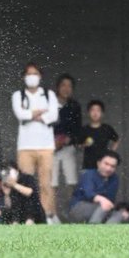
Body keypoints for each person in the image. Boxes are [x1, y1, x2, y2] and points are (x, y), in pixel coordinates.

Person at [11, 64, 58, 219]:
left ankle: (46, 216)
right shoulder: (18, 95)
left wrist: (32, 115)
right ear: (24, 77)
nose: (32, 77)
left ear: (40, 76)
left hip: (46, 146)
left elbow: (53, 115)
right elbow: (20, 114)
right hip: (25, 147)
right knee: (25, 183)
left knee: (45, 184)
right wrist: (37, 113)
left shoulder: (48, 94)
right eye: (29, 74)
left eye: (35, 73)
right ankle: (28, 216)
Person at [69, 151, 129, 224]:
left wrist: (121, 211)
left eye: (112, 166)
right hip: (79, 208)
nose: (108, 168)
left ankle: (108, 233)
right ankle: (94, 229)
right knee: (104, 205)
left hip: (102, 209)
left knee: (121, 214)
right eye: (106, 164)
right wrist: (102, 199)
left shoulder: (114, 179)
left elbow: (110, 199)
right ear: (98, 163)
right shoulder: (88, 174)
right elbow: (89, 194)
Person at [52, 73, 82, 219]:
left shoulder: (75, 106)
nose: (66, 88)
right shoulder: (49, 103)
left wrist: (67, 140)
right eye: (63, 85)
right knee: (52, 183)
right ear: (58, 87)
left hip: (67, 148)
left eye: (69, 86)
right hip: (50, 149)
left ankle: (70, 213)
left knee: (71, 182)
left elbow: (78, 130)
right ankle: (53, 215)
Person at [80, 99, 119, 170]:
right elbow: (78, 146)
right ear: (88, 113)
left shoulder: (107, 128)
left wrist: (111, 153)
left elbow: (116, 139)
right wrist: (85, 144)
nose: (95, 113)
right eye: (92, 110)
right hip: (88, 165)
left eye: (98, 110)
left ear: (102, 113)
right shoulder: (84, 129)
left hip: (104, 165)